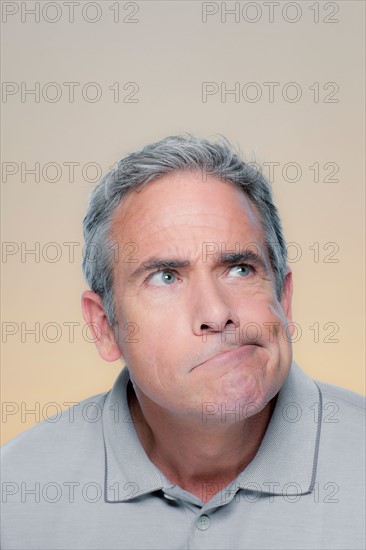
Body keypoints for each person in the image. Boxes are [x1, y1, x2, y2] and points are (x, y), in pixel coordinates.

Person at [1, 135, 365, 550]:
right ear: (104, 327)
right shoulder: (14, 497)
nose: (215, 313)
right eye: (166, 277)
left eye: (240, 269)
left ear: (284, 299)